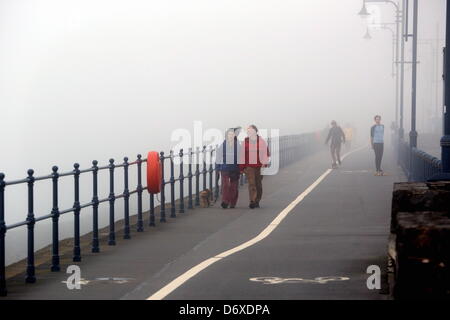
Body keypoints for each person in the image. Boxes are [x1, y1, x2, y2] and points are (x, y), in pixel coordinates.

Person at [239, 125, 270, 209]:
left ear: (255, 131)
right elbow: (242, 155)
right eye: (248, 131)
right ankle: (252, 200)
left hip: (259, 166)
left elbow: (265, 153)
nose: (249, 132)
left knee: (258, 184)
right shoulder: (245, 142)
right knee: (252, 184)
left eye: (251, 130)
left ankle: (257, 200)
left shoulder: (261, 141)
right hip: (249, 166)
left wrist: (264, 163)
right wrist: (241, 168)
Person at [216, 128, 241, 209]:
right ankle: (225, 201)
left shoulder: (238, 146)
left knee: (234, 186)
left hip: (235, 168)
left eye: (232, 134)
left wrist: (241, 168)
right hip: (225, 168)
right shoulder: (223, 145)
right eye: (229, 134)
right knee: (225, 186)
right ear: (226, 136)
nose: (230, 136)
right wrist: (218, 167)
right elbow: (218, 157)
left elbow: (241, 157)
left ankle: (233, 202)